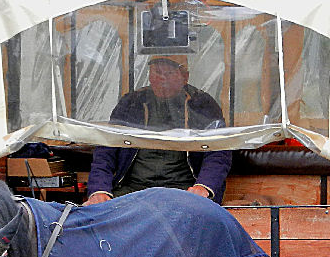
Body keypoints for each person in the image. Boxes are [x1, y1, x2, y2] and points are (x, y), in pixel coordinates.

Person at [83, 57, 231, 205]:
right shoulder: (131, 103)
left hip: (184, 191)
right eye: (157, 72)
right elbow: (106, 148)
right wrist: (99, 190)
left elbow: (219, 151)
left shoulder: (202, 104)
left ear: (185, 77)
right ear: (149, 76)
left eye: (169, 73)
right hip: (133, 190)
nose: (162, 78)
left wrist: (203, 187)